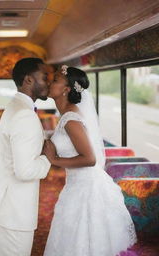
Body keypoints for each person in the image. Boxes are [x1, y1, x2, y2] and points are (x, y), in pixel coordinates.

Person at [43, 65, 137, 256]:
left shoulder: (71, 119)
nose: (49, 83)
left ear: (66, 89)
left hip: (85, 188)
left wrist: (55, 159)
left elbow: (90, 158)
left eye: (54, 80)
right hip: (76, 185)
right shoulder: (67, 115)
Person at [0, 58, 51, 256]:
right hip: (14, 210)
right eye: (45, 77)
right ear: (28, 80)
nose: (49, 82)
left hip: (9, 206)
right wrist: (48, 158)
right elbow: (25, 171)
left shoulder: (17, 107)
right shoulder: (24, 115)